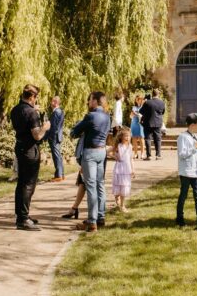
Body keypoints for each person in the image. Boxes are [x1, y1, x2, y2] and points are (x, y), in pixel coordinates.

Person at [9, 83, 52, 232]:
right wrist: (45, 127)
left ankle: (21, 215)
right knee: (29, 184)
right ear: (32, 96)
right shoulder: (32, 113)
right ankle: (23, 219)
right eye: (36, 97)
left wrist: (33, 111)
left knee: (21, 183)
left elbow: (23, 121)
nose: (36, 100)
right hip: (30, 149)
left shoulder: (15, 109)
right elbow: (37, 135)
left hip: (20, 146)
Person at [70, 91, 110, 232]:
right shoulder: (107, 116)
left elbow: (74, 132)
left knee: (91, 186)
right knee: (100, 185)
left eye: (90, 99)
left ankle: (92, 222)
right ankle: (100, 217)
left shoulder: (91, 116)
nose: (88, 102)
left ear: (96, 101)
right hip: (102, 151)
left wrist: (79, 129)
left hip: (90, 153)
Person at [176, 113, 197, 231]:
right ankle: (179, 218)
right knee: (183, 195)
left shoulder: (196, 137)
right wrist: (195, 147)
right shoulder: (182, 137)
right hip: (186, 172)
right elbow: (182, 154)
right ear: (193, 125)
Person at [110, 127, 134, 212]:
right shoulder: (118, 146)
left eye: (129, 136)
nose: (127, 138)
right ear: (121, 137)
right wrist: (115, 157)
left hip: (127, 169)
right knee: (118, 185)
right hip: (119, 168)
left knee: (124, 185)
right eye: (126, 136)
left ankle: (122, 205)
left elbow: (131, 158)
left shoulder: (130, 146)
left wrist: (133, 170)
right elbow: (109, 152)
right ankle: (117, 198)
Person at [139, 90, 166, 160]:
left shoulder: (147, 102)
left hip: (147, 123)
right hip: (158, 123)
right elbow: (163, 112)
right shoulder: (162, 102)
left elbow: (141, 111)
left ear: (152, 94)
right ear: (158, 94)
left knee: (147, 139)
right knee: (158, 139)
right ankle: (158, 155)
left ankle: (149, 156)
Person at [48, 96, 65, 182]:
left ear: (55, 102)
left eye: (52, 101)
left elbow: (54, 127)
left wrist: (48, 136)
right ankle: (61, 174)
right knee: (58, 155)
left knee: (56, 156)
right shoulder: (60, 111)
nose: (51, 103)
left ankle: (59, 175)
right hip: (57, 136)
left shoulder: (56, 112)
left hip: (54, 137)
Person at [130, 94, 145, 160]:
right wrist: (132, 114)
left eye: (139, 99)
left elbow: (144, 115)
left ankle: (142, 153)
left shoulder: (143, 107)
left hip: (140, 124)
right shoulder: (134, 107)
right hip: (134, 123)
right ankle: (135, 153)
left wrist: (139, 114)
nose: (137, 100)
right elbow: (130, 116)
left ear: (141, 100)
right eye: (137, 99)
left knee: (141, 138)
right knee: (134, 139)